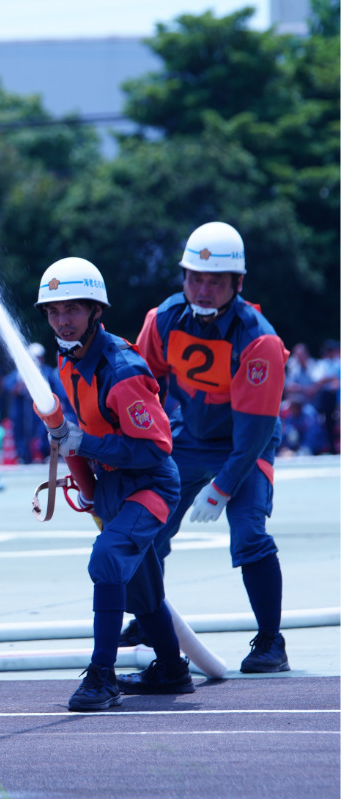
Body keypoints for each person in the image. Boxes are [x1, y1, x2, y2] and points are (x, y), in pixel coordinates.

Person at [131, 222, 291, 673]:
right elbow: (143, 388)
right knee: (146, 529)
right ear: (183, 278)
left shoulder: (259, 340)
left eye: (215, 281)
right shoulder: (161, 319)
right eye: (194, 278)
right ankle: (150, 620)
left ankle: (270, 642)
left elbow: (256, 431)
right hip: (186, 439)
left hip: (244, 444)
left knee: (249, 533)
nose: (202, 290)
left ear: (237, 284)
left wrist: (222, 487)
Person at [35, 256, 190, 711]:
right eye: (54, 311)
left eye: (73, 310)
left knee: (106, 559)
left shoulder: (122, 370)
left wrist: (85, 442)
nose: (63, 321)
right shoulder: (69, 362)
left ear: (95, 311)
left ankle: (102, 676)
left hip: (151, 485)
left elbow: (155, 449)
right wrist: (79, 460)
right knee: (142, 590)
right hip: (112, 486)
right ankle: (172, 669)